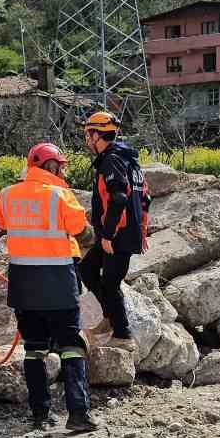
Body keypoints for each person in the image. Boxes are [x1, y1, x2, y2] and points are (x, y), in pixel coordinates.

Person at [0, 142, 99, 433]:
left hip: (23, 281)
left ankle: (40, 414)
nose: (63, 172)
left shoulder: (6, 194)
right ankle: (78, 413)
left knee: (34, 349)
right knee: (71, 345)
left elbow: (2, 224)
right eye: (60, 167)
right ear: (51, 167)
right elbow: (82, 232)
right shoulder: (61, 195)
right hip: (58, 279)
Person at [78, 111, 149, 349]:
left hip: (117, 234)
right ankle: (108, 317)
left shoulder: (112, 160)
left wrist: (108, 235)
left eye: (88, 135)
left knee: (110, 284)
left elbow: (119, 198)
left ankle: (122, 335)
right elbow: (145, 198)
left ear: (96, 135)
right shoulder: (130, 161)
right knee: (87, 269)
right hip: (125, 232)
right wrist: (142, 230)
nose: (87, 140)